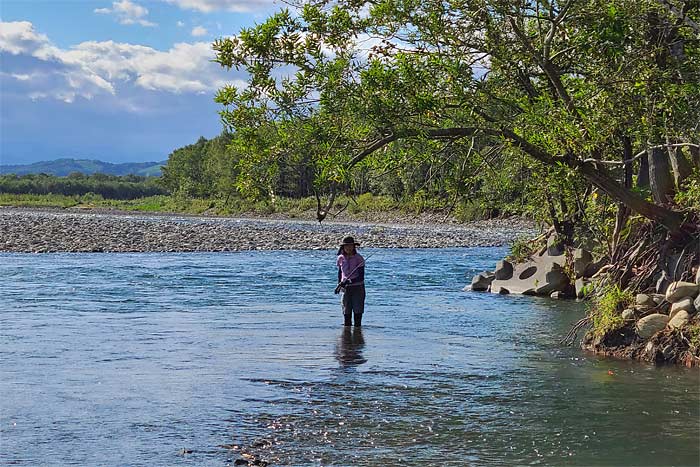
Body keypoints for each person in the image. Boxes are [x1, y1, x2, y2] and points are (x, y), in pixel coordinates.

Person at [334, 236, 365, 327]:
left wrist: (349, 281)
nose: (348, 248)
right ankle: (346, 338)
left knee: (357, 312)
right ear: (343, 247)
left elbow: (361, 277)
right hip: (345, 288)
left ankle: (357, 336)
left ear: (354, 246)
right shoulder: (340, 258)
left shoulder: (359, 258)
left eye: (350, 246)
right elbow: (340, 272)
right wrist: (339, 285)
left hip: (358, 288)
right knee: (346, 312)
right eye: (346, 246)